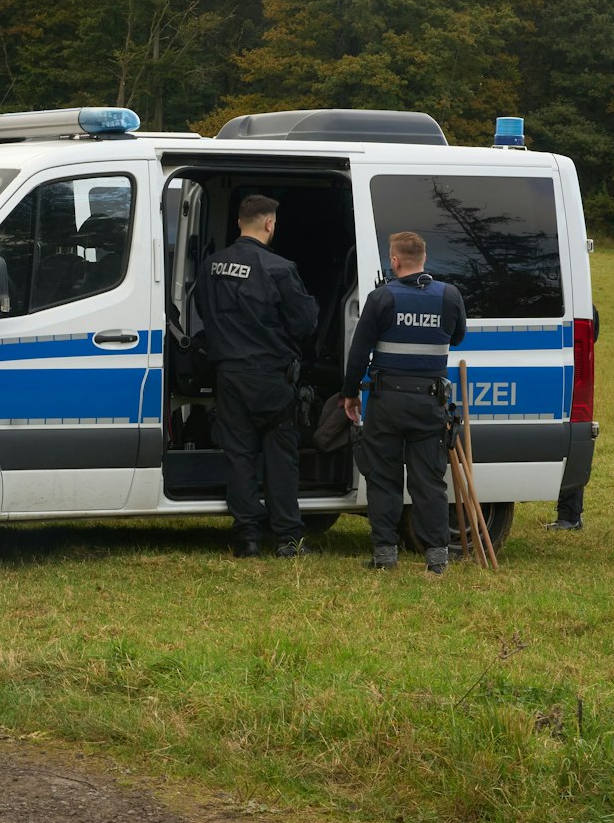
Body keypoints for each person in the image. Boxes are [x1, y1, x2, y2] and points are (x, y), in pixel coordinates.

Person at [194, 193, 319, 557]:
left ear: (239, 223)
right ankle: (288, 539)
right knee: (280, 457)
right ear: (269, 224)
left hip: (228, 374)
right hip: (270, 376)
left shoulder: (211, 266)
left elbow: (203, 309)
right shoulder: (279, 268)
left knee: (239, 455)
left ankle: (247, 537)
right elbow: (305, 322)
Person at [342, 231, 468, 574]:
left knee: (384, 478)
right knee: (429, 481)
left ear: (394, 261)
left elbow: (358, 352)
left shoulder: (382, 297)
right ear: (424, 258)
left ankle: (385, 556)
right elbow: (457, 336)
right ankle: (437, 560)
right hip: (430, 403)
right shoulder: (450, 296)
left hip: (386, 401)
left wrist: (350, 393)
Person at [546, 306, 600, 531]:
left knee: (569, 443)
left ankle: (569, 515)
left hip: (565, 375)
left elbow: (589, 335)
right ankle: (569, 515)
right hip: (562, 372)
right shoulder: (581, 305)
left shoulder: (579, 306)